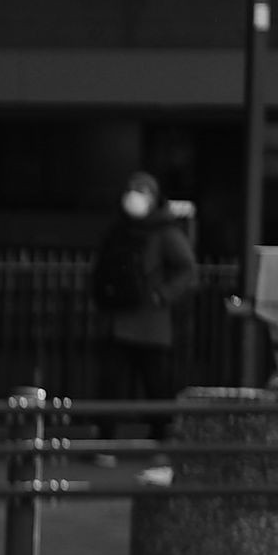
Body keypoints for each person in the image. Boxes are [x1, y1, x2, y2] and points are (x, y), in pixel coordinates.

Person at [88, 173, 197, 460]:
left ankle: (160, 441)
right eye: (131, 190)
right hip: (117, 321)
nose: (134, 197)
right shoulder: (118, 230)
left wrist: (162, 295)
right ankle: (106, 441)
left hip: (150, 323)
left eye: (142, 191)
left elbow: (187, 268)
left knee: (156, 386)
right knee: (111, 385)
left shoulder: (165, 232)